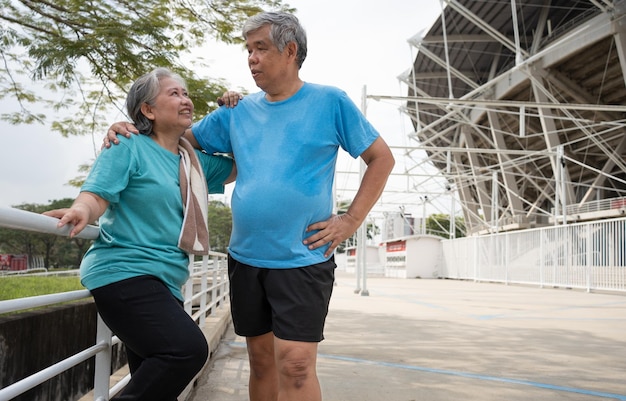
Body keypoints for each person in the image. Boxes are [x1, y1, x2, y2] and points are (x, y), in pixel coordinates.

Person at [105, 11, 395, 401]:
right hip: (246, 259)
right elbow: (172, 137)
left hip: (303, 257)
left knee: (294, 364)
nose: (251, 58)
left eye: (260, 49)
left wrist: (350, 220)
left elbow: (381, 158)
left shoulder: (331, 102)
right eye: (248, 50)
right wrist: (128, 128)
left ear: (290, 51)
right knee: (260, 362)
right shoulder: (236, 111)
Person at [46, 68, 236, 401]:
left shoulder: (193, 162)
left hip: (165, 282)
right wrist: (81, 210)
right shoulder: (127, 145)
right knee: (187, 350)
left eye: (186, 94)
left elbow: (242, 163)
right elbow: (97, 194)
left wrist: (235, 113)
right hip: (124, 273)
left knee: (157, 386)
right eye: (173, 94)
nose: (185, 100)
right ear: (148, 110)